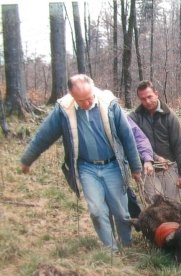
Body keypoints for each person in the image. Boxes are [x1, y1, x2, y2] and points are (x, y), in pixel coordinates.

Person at [20, 74, 142, 251]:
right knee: (96, 211)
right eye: (81, 100)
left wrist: (136, 167)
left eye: (90, 97)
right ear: (72, 96)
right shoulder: (63, 109)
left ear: (94, 90)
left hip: (113, 165)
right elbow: (44, 136)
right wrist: (27, 160)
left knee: (121, 212)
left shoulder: (110, 104)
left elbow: (127, 136)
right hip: (87, 168)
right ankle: (110, 250)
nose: (87, 103)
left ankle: (127, 243)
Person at [129, 80, 181, 204]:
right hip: (147, 168)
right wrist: (153, 158)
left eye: (150, 97)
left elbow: (180, 146)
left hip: (169, 167)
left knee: (173, 205)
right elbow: (133, 143)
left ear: (156, 94)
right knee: (155, 207)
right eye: (143, 99)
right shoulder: (134, 117)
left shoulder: (170, 116)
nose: (147, 101)